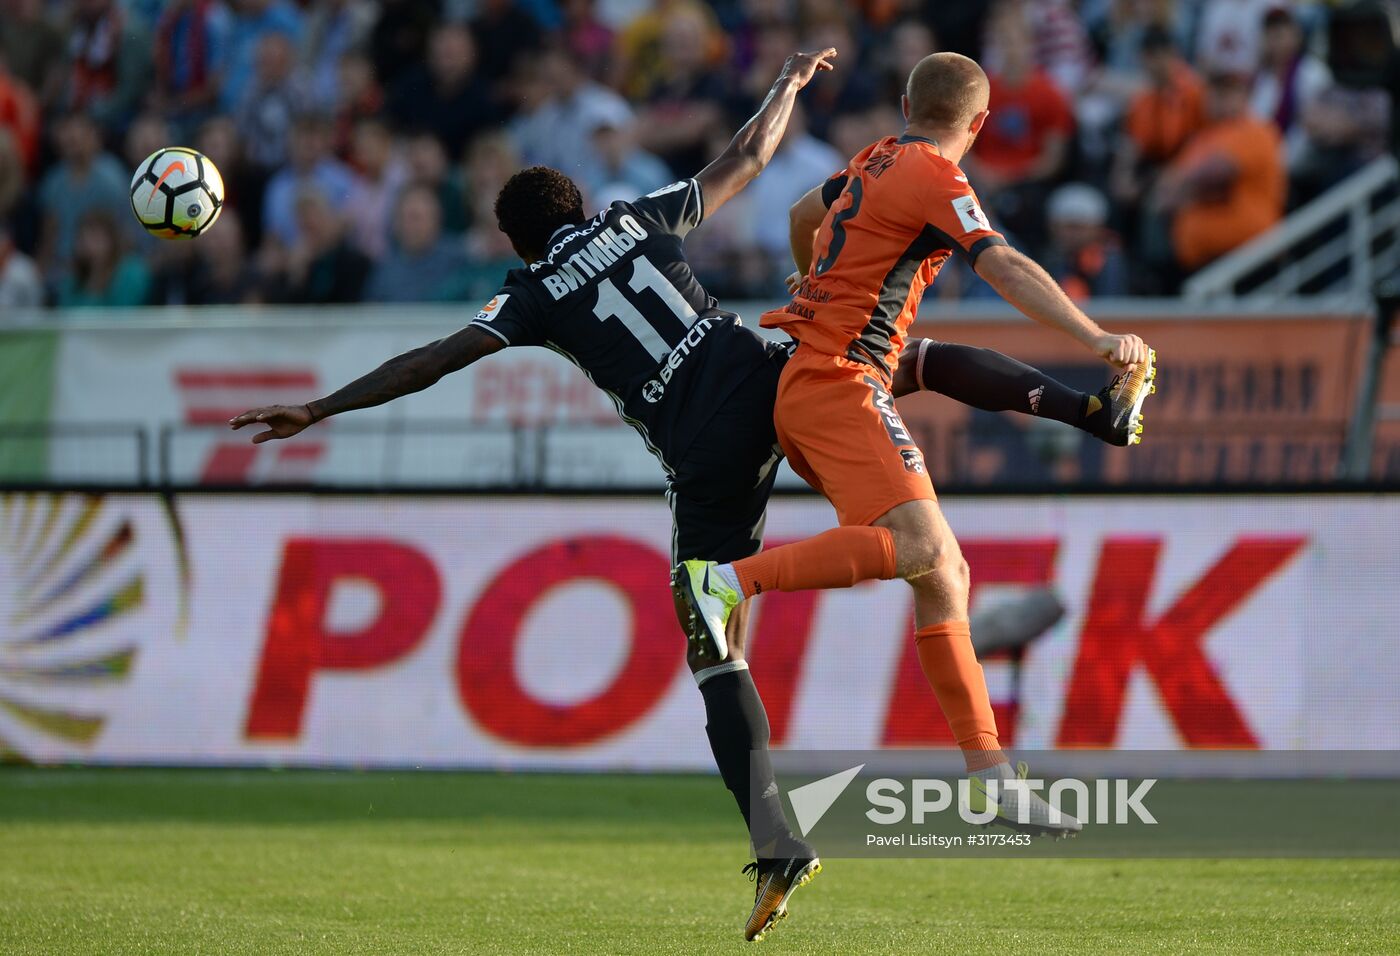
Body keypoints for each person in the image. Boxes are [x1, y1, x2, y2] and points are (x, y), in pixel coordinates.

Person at [230, 47, 1149, 943]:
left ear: (518, 242)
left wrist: (320, 407)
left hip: (702, 453)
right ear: (581, 204)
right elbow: (748, 159)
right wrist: (786, 85)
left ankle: (775, 837)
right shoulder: (638, 218)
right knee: (907, 368)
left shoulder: (530, 293)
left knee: (716, 648)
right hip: (759, 375)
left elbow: (433, 360)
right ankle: (1086, 414)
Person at [674, 51, 1154, 853]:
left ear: (905, 103)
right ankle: (724, 583)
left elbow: (801, 215)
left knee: (944, 571)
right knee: (926, 549)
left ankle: (991, 777)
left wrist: (815, 288)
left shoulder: (874, 157)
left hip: (820, 374)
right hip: (839, 383)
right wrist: (1096, 336)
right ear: (980, 123)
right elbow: (1002, 264)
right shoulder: (937, 175)